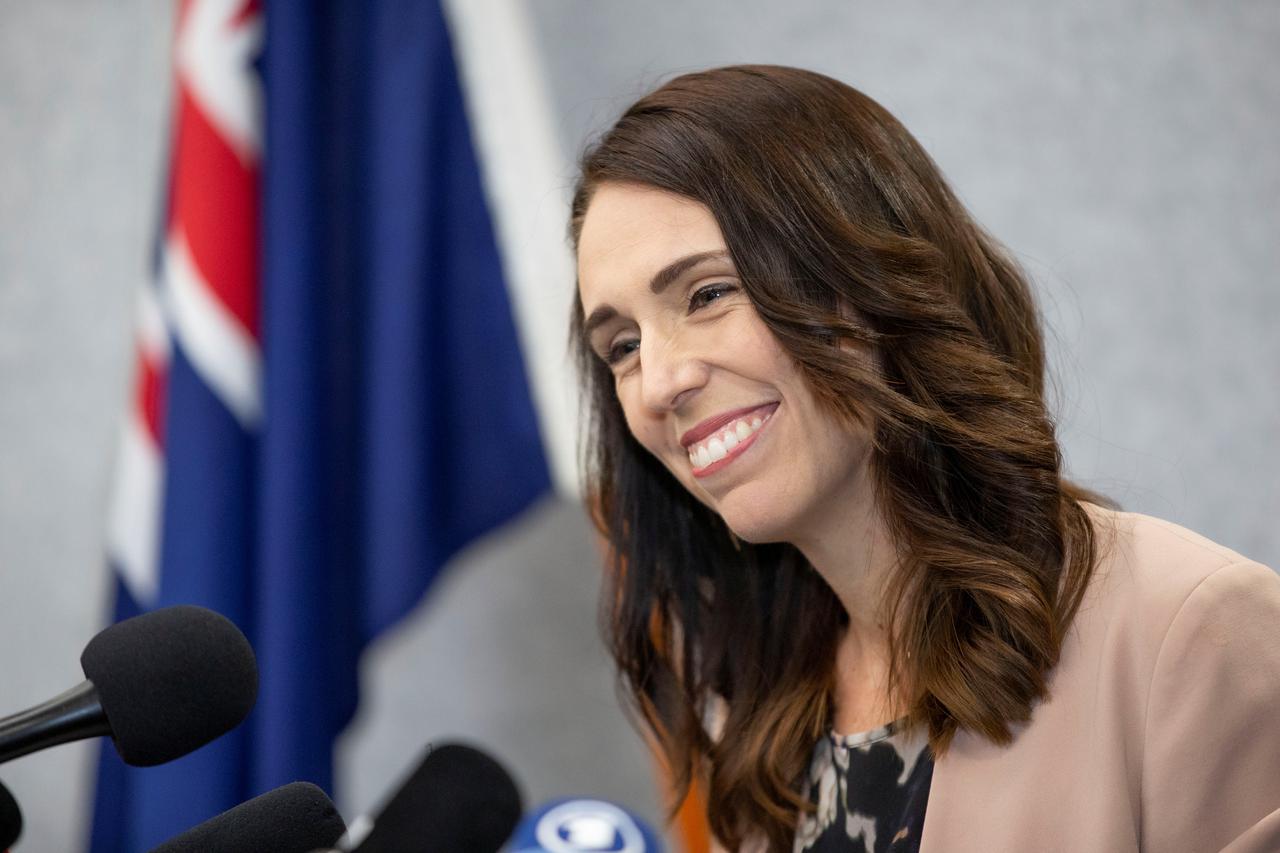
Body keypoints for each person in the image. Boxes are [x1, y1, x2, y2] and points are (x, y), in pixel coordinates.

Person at [568, 65, 1280, 852]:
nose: (661, 381)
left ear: (870, 275)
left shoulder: (1192, 631)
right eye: (622, 346)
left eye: (707, 294)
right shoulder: (763, 724)